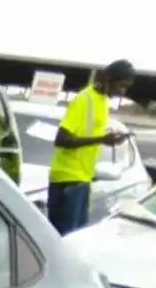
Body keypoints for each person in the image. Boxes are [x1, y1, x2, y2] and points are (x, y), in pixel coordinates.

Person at [46, 59, 135, 234]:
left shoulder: (102, 101)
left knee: (75, 237)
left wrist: (108, 139)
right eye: (121, 85)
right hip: (68, 179)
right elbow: (62, 139)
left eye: (126, 88)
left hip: (82, 178)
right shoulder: (83, 100)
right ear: (109, 79)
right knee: (66, 238)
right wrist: (101, 140)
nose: (122, 92)